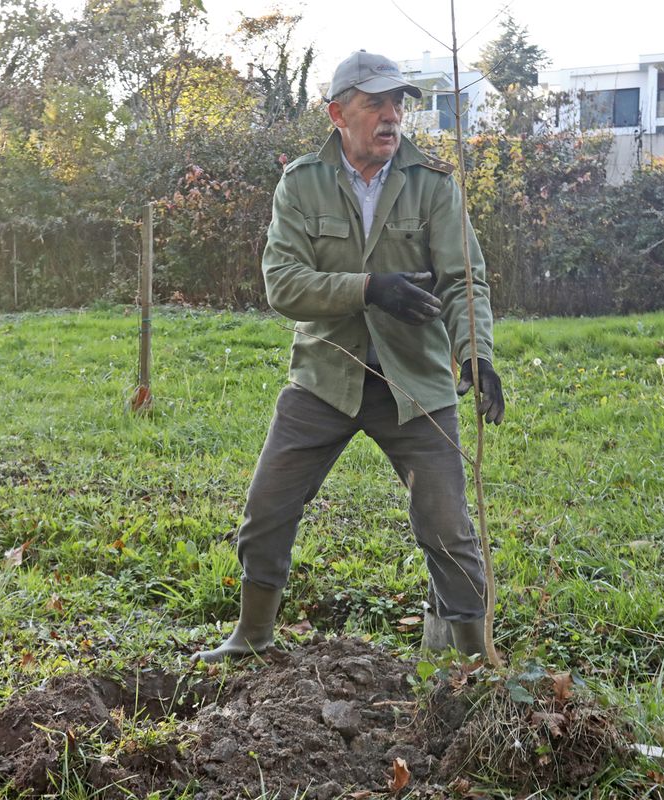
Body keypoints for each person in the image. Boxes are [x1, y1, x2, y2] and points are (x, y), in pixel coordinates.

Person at [193, 50, 505, 663]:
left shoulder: (434, 185)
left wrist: (476, 354)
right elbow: (282, 284)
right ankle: (252, 637)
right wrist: (369, 288)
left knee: (448, 527)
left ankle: (474, 660)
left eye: (399, 105)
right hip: (325, 375)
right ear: (338, 113)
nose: (391, 117)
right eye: (375, 104)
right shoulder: (302, 183)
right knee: (267, 509)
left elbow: (464, 282)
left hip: (415, 382)